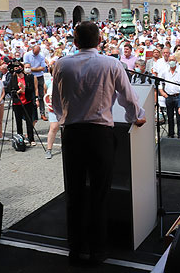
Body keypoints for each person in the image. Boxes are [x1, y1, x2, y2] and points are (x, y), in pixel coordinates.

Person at [52, 22, 146, 265]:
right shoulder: (111, 63)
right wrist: (136, 117)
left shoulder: (62, 64)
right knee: (99, 193)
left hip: (72, 134)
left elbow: (57, 100)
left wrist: (66, 119)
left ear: (75, 42)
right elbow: (128, 97)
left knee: (74, 193)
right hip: (100, 135)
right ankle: (97, 251)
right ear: (99, 41)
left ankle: (75, 248)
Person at [6, 60, 38, 147]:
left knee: (29, 121)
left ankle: (31, 138)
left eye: (19, 67)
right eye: (15, 68)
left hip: (27, 102)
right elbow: (9, 91)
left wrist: (25, 88)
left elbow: (31, 89)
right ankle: (20, 138)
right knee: (18, 121)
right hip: (17, 103)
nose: (17, 69)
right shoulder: (13, 78)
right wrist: (18, 91)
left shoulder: (28, 77)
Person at [158, 58, 180, 139]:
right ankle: (171, 133)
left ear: (176, 62)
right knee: (170, 117)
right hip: (168, 96)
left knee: (179, 117)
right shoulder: (165, 72)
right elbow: (160, 82)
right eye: (170, 60)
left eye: (173, 60)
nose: (172, 62)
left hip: (178, 96)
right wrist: (162, 92)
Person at [24, 44, 48, 121]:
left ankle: (42, 113)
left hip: (39, 76)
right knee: (30, 94)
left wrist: (32, 69)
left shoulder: (41, 56)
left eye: (37, 52)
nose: (36, 54)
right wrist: (36, 69)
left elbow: (43, 68)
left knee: (41, 95)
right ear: (32, 50)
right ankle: (31, 113)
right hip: (30, 76)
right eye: (35, 52)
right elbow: (26, 66)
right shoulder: (27, 55)